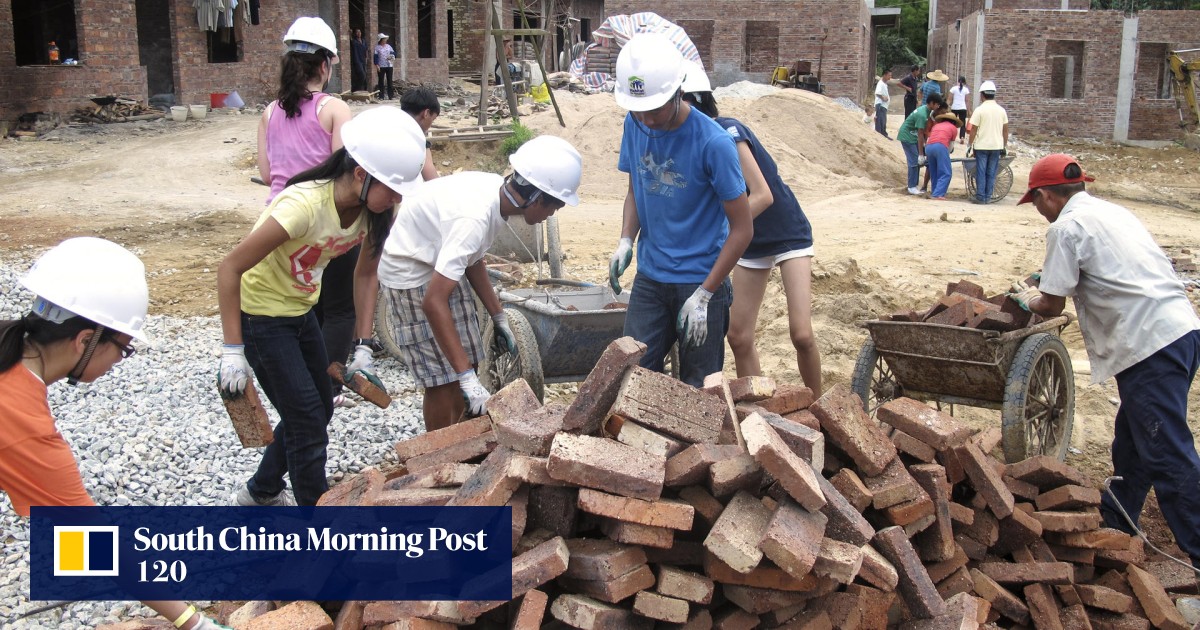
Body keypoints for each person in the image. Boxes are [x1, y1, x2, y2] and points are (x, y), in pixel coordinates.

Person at [0, 237, 229, 630]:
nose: (120, 363)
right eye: (124, 349)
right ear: (86, 341)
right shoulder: (21, 422)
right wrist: (193, 622)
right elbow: (91, 541)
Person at [219, 107, 427, 507]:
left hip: (301, 313)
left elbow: (366, 277)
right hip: (261, 317)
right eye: (393, 189)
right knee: (307, 421)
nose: (397, 199)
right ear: (362, 174)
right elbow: (230, 268)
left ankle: (260, 491)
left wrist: (363, 346)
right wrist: (232, 350)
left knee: (319, 410)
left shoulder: (372, 212)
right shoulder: (302, 206)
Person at [1011, 153, 1200, 571]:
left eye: (1036, 203)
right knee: (1133, 440)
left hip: (1149, 343)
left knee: (1167, 453)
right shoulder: (1112, 212)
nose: (1039, 212)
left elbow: (1051, 304)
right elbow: (1106, 268)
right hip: (1181, 331)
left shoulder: (1066, 226)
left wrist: (1026, 298)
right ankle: (1119, 521)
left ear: (1045, 196)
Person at [370, 136, 582, 430]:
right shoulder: (475, 217)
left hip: (437, 263)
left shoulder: (496, 196)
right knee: (443, 380)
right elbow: (433, 302)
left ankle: (460, 437)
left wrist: (498, 318)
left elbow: (474, 259)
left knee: (465, 362)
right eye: (554, 205)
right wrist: (467, 381)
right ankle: (438, 454)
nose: (552, 213)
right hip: (410, 272)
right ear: (535, 196)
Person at [607, 33, 753, 388]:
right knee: (631, 379)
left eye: (654, 108)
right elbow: (636, 189)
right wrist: (627, 239)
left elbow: (742, 229)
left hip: (700, 278)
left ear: (678, 92)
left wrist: (705, 294)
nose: (648, 119)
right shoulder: (635, 123)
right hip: (651, 279)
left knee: (697, 390)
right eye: (639, 109)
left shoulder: (714, 143)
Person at [680, 61, 821, 394]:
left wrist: (724, 232)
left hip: (787, 234)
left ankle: (821, 408)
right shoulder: (692, 146)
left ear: (693, 103)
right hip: (751, 242)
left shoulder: (727, 131)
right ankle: (763, 414)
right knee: (739, 336)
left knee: (801, 333)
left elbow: (763, 196)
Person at [258, 16, 359, 408]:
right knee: (339, 309)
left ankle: (303, 382)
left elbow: (268, 174)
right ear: (325, 65)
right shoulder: (334, 109)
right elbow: (344, 169)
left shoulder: (269, 112)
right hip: (324, 220)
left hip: (279, 220)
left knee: (304, 304)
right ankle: (327, 388)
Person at [966, 80, 1008, 204]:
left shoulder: (979, 110)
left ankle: (981, 197)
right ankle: (988, 197)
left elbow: (973, 129)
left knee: (981, 171)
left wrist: (970, 144)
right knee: (991, 172)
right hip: (996, 146)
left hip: (981, 147)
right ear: (993, 94)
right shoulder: (1001, 110)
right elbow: (1005, 131)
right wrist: (1004, 146)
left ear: (982, 95)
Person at [897, 93, 944, 196]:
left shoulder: (927, 111)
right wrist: (921, 154)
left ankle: (914, 185)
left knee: (917, 162)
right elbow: (920, 134)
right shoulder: (922, 114)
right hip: (907, 136)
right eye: (937, 105)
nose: (937, 107)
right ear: (931, 103)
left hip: (912, 136)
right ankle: (911, 186)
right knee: (914, 161)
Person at [399, 86, 442, 182]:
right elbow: (433, 181)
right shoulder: (419, 143)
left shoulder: (385, 128)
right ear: (426, 113)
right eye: (433, 119)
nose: (431, 124)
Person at [925, 112, 960, 200]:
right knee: (946, 172)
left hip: (928, 147)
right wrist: (947, 153)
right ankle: (938, 194)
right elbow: (950, 146)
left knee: (934, 171)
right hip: (940, 146)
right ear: (953, 122)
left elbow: (930, 138)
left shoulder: (936, 126)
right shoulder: (953, 128)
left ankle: (935, 191)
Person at [949, 76, 970, 144]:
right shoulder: (966, 90)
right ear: (964, 82)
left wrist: (947, 107)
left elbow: (949, 99)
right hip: (963, 108)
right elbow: (967, 101)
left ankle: (951, 136)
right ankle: (962, 137)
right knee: (962, 124)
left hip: (954, 108)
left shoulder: (953, 89)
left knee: (952, 123)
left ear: (958, 81)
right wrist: (968, 110)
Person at [374, 34, 395, 100]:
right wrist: (377, 65)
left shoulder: (389, 46)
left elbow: (393, 53)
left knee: (389, 80)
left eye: (385, 39)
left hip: (389, 65)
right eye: (384, 39)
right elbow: (375, 57)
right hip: (381, 66)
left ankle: (390, 96)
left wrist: (391, 57)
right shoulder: (377, 47)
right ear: (381, 40)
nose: (385, 40)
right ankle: (381, 96)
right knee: (381, 81)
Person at [874, 70, 892, 139]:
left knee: (883, 120)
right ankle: (880, 135)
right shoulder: (880, 83)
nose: (890, 77)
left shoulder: (884, 84)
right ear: (884, 75)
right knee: (880, 121)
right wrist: (883, 98)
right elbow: (877, 93)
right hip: (880, 105)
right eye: (889, 75)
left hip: (883, 106)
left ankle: (884, 134)